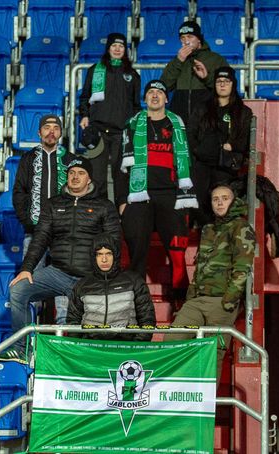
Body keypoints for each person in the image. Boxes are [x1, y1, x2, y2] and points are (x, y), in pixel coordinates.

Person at [1, 156, 122, 364]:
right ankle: (22, 349)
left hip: (89, 277)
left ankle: (87, 359)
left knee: (87, 326)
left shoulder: (104, 206)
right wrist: (26, 268)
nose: (75, 177)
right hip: (58, 272)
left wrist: (105, 277)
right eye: (72, 173)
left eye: (81, 173)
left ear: (89, 178)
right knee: (18, 289)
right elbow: (40, 238)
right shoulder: (53, 204)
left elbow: (114, 243)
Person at [116, 80, 198, 299]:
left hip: (171, 197)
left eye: (159, 93)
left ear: (166, 99)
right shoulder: (131, 125)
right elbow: (120, 167)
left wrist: (187, 198)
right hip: (137, 196)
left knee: (177, 254)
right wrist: (122, 201)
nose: (155, 96)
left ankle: (181, 302)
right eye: (150, 92)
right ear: (144, 99)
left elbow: (189, 163)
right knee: (137, 255)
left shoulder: (178, 125)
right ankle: (136, 302)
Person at [168, 184, 255, 378]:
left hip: (220, 302)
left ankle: (206, 406)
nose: (220, 202)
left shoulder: (241, 227)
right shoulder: (207, 228)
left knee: (213, 354)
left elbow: (242, 267)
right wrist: (190, 298)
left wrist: (228, 301)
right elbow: (200, 267)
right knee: (172, 341)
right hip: (196, 301)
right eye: (216, 199)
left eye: (224, 198)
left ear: (233, 201)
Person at [12, 114, 77, 324]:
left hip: (64, 235)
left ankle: (62, 332)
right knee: (28, 282)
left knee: (64, 283)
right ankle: (30, 332)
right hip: (34, 233)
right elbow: (19, 193)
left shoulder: (70, 160)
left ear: (60, 133)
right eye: (46, 127)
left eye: (55, 127)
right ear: (39, 133)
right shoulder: (28, 159)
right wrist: (28, 222)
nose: (51, 131)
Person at [78, 32, 141, 200]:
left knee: (120, 175)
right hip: (98, 130)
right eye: (114, 45)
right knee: (97, 176)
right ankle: (99, 213)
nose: (117, 49)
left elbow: (136, 105)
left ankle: (122, 214)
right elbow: (84, 96)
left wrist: (134, 127)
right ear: (108, 49)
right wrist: (84, 115)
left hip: (121, 133)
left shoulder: (132, 75)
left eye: (121, 46)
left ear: (125, 50)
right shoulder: (95, 70)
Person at [188, 66, 253, 226]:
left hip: (225, 165)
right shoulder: (202, 107)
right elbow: (190, 134)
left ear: (233, 84)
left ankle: (221, 237)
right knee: (196, 201)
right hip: (201, 164)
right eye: (219, 81)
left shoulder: (243, 111)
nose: (222, 84)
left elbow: (246, 139)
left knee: (223, 204)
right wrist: (198, 150)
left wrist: (232, 146)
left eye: (226, 81)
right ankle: (206, 232)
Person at [67, 233, 156, 341]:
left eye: (108, 254)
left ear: (116, 255)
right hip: (90, 348)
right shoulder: (82, 285)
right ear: (93, 257)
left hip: (125, 349)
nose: (104, 259)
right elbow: (73, 322)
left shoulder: (134, 281)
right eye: (99, 254)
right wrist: (78, 347)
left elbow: (147, 318)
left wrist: (136, 346)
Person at [161, 20, 228, 125]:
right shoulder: (176, 61)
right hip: (180, 120)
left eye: (190, 36)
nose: (186, 41)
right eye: (182, 38)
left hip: (207, 119)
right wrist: (178, 61)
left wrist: (206, 77)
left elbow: (227, 89)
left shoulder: (216, 59)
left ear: (199, 39)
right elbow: (164, 86)